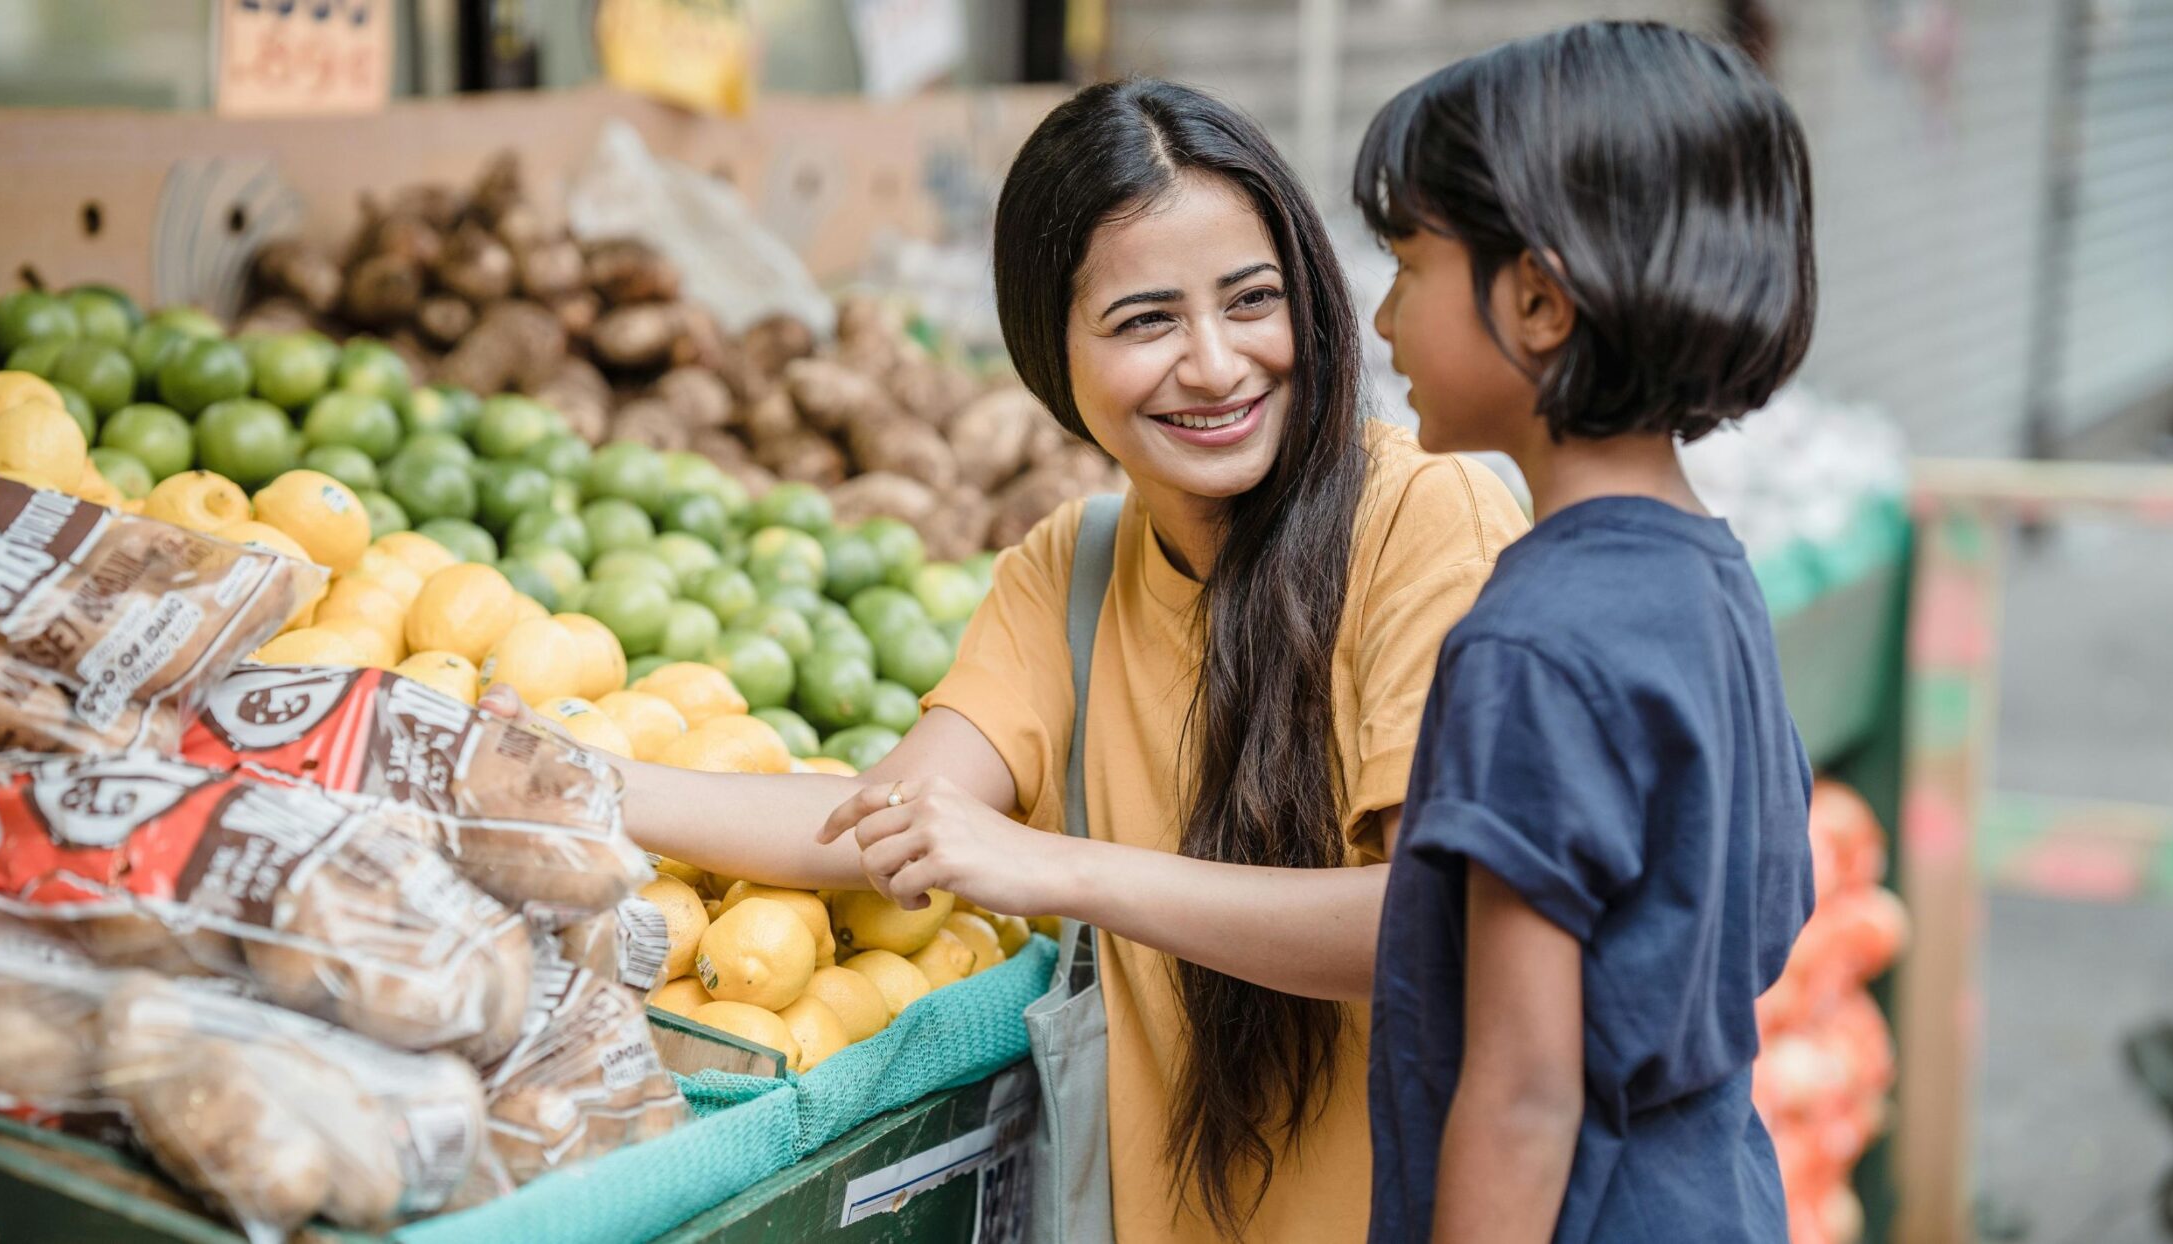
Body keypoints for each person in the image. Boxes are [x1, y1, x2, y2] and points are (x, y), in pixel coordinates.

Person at [486, 79, 1524, 1242]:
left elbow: (1427, 925)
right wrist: (564, 777)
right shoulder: (1067, 570)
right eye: (1144, 321)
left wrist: (1059, 867)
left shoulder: (1424, 519)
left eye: (1251, 301)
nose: (1218, 364)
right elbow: (875, 821)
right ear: (1051, 352)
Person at [1351, 21, 1820, 1244]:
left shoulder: (1528, 644)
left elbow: (1520, 1093)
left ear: (1539, 299)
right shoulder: (1707, 578)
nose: (1385, 317)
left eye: (1406, 264)